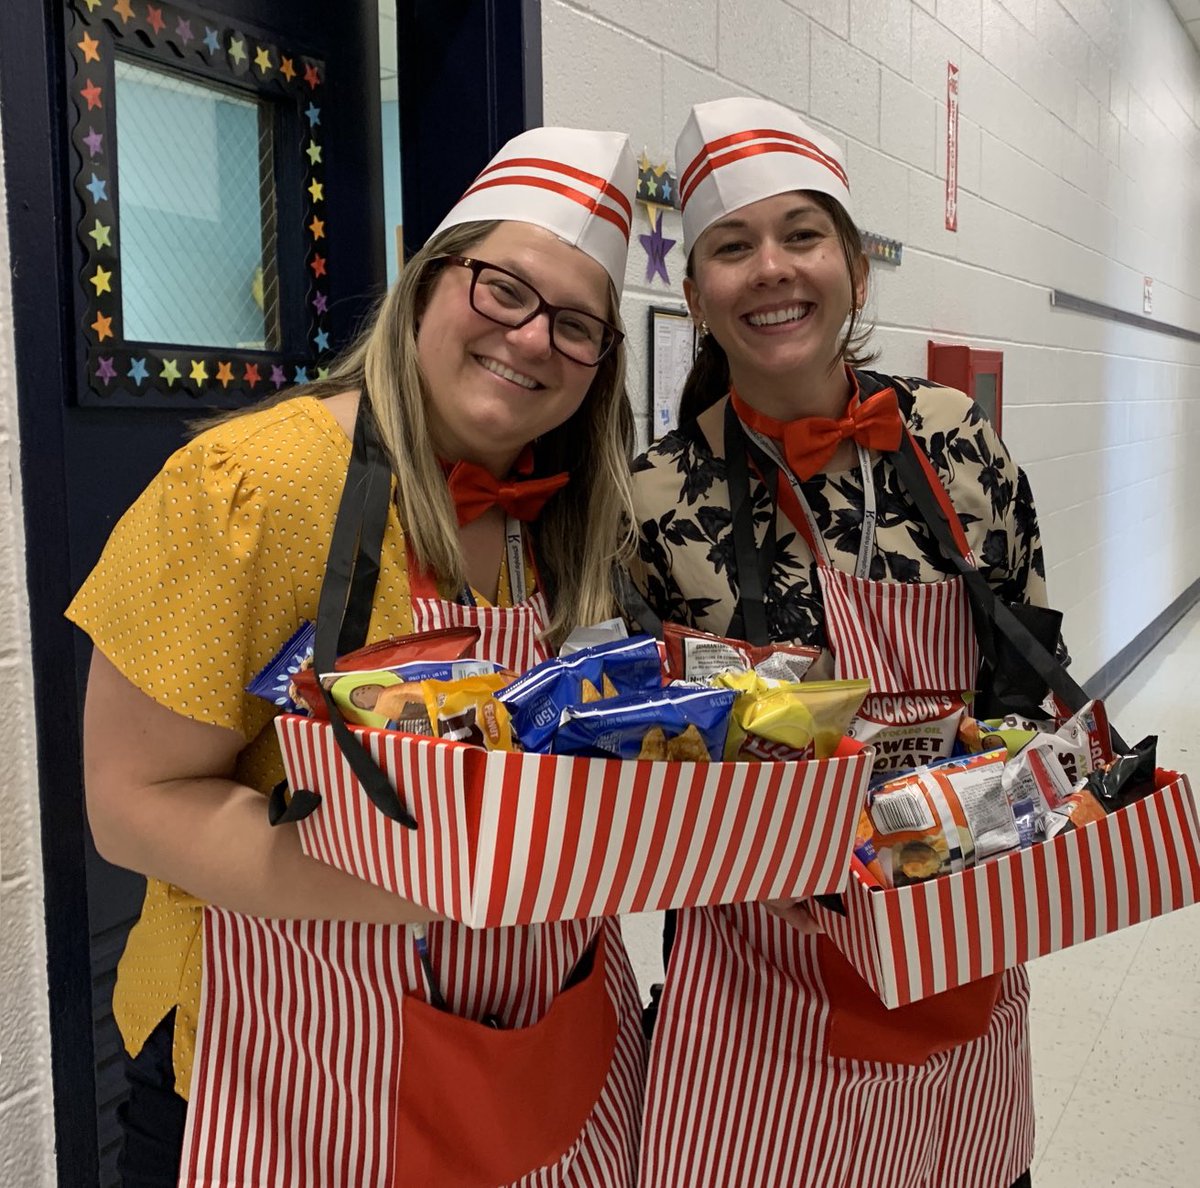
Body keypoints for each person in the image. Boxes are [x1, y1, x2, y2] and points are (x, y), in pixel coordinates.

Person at [68, 126, 647, 1187]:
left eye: (576, 326)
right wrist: (440, 883)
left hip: (542, 1058)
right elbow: (130, 802)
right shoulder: (258, 487)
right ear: (428, 283)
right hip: (285, 1081)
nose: (530, 342)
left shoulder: (570, 525)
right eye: (504, 290)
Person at [629, 97, 1044, 1188]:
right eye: (731, 245)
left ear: (856, 270)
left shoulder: (957, 442)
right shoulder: (653, 497)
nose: (770, 269)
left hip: (950, 933)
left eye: (801, 235)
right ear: (695, 291)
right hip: (752, 973)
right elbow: (631, 763)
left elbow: (1024, 691)